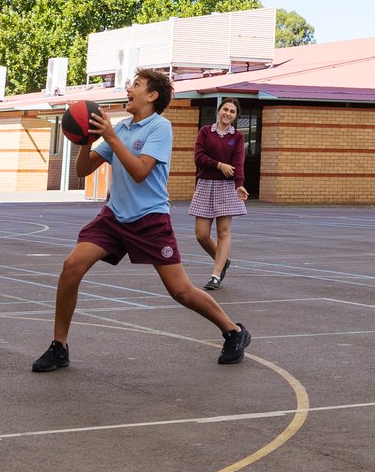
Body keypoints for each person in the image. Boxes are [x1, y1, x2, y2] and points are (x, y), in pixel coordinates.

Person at [32, 68, 250, 371]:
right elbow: (84, 171)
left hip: (149, 219)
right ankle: (59, 346)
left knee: (181, 291)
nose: (128, 88)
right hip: (114, 217)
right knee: (72, 267)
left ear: (152, 95)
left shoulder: (159, 127)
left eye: (136, 84)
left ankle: (233, 331)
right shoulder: (120, 128)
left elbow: (139, 172)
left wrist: (109, 136)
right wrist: (86, 140)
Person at [191, 97, 248, 290]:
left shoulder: (238, 137)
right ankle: (224, 261)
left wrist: (239, 184)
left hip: (227, 187)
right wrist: (219, 165)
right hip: (206, 185)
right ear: (219, 110)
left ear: (236, 116)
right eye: (225, 109)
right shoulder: (206, 132)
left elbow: (239, 162)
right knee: (201, 234)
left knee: (223, 232)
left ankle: (216, 275)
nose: (228, 114)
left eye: (232, 111)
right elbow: (199, 158)